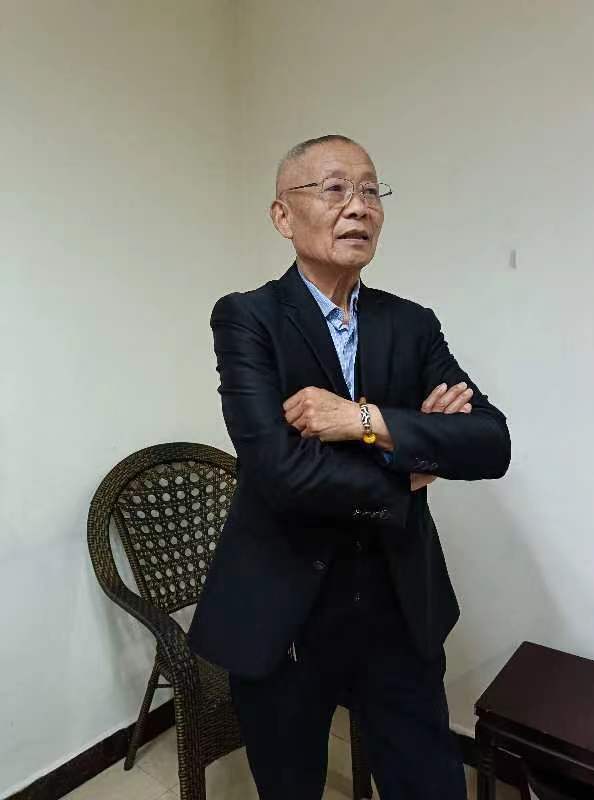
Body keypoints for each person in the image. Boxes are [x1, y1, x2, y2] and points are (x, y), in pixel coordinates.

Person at [188, 134, 510, 800]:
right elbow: (278, 471)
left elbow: (489, 441)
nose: (358, 206)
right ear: (283, 215)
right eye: (334, 188)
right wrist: (410, 463)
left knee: (430, 785)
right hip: (285, 610)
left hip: (398, 603)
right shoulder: (248, 318)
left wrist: (361, 419)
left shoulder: (412, 324)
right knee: (291, 786)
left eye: (370, 190)